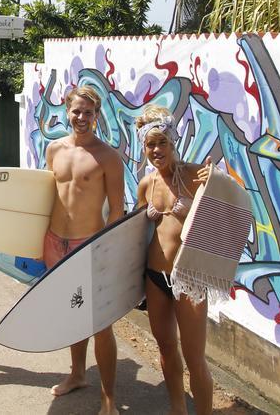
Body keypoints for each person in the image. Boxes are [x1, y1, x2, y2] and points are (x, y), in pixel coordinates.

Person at [43, 85, 125, 415]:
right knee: (71, 315)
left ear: (96, 115)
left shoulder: (107, 156)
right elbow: (45, 198)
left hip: (87, 244)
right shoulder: (53, 149)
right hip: (54, 242)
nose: (81, 118)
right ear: (67, 111)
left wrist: (104, 248)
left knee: (100, 323)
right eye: (76, 111)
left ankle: (109, 398)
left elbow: (117, 210)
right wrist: (38, 243)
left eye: (88, 112)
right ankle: (77, 374)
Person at [135, 105, 213, 415]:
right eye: (150, 145)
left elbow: (232, 211)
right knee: (166, 349)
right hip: (156, 277)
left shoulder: (198, 176)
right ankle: (178, 408)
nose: (156, 150)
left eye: (161, 143)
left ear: (173, 141)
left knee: (195, 358)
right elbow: (137, 233)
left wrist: (218, 182)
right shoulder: (146, 184)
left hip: (190, 279)